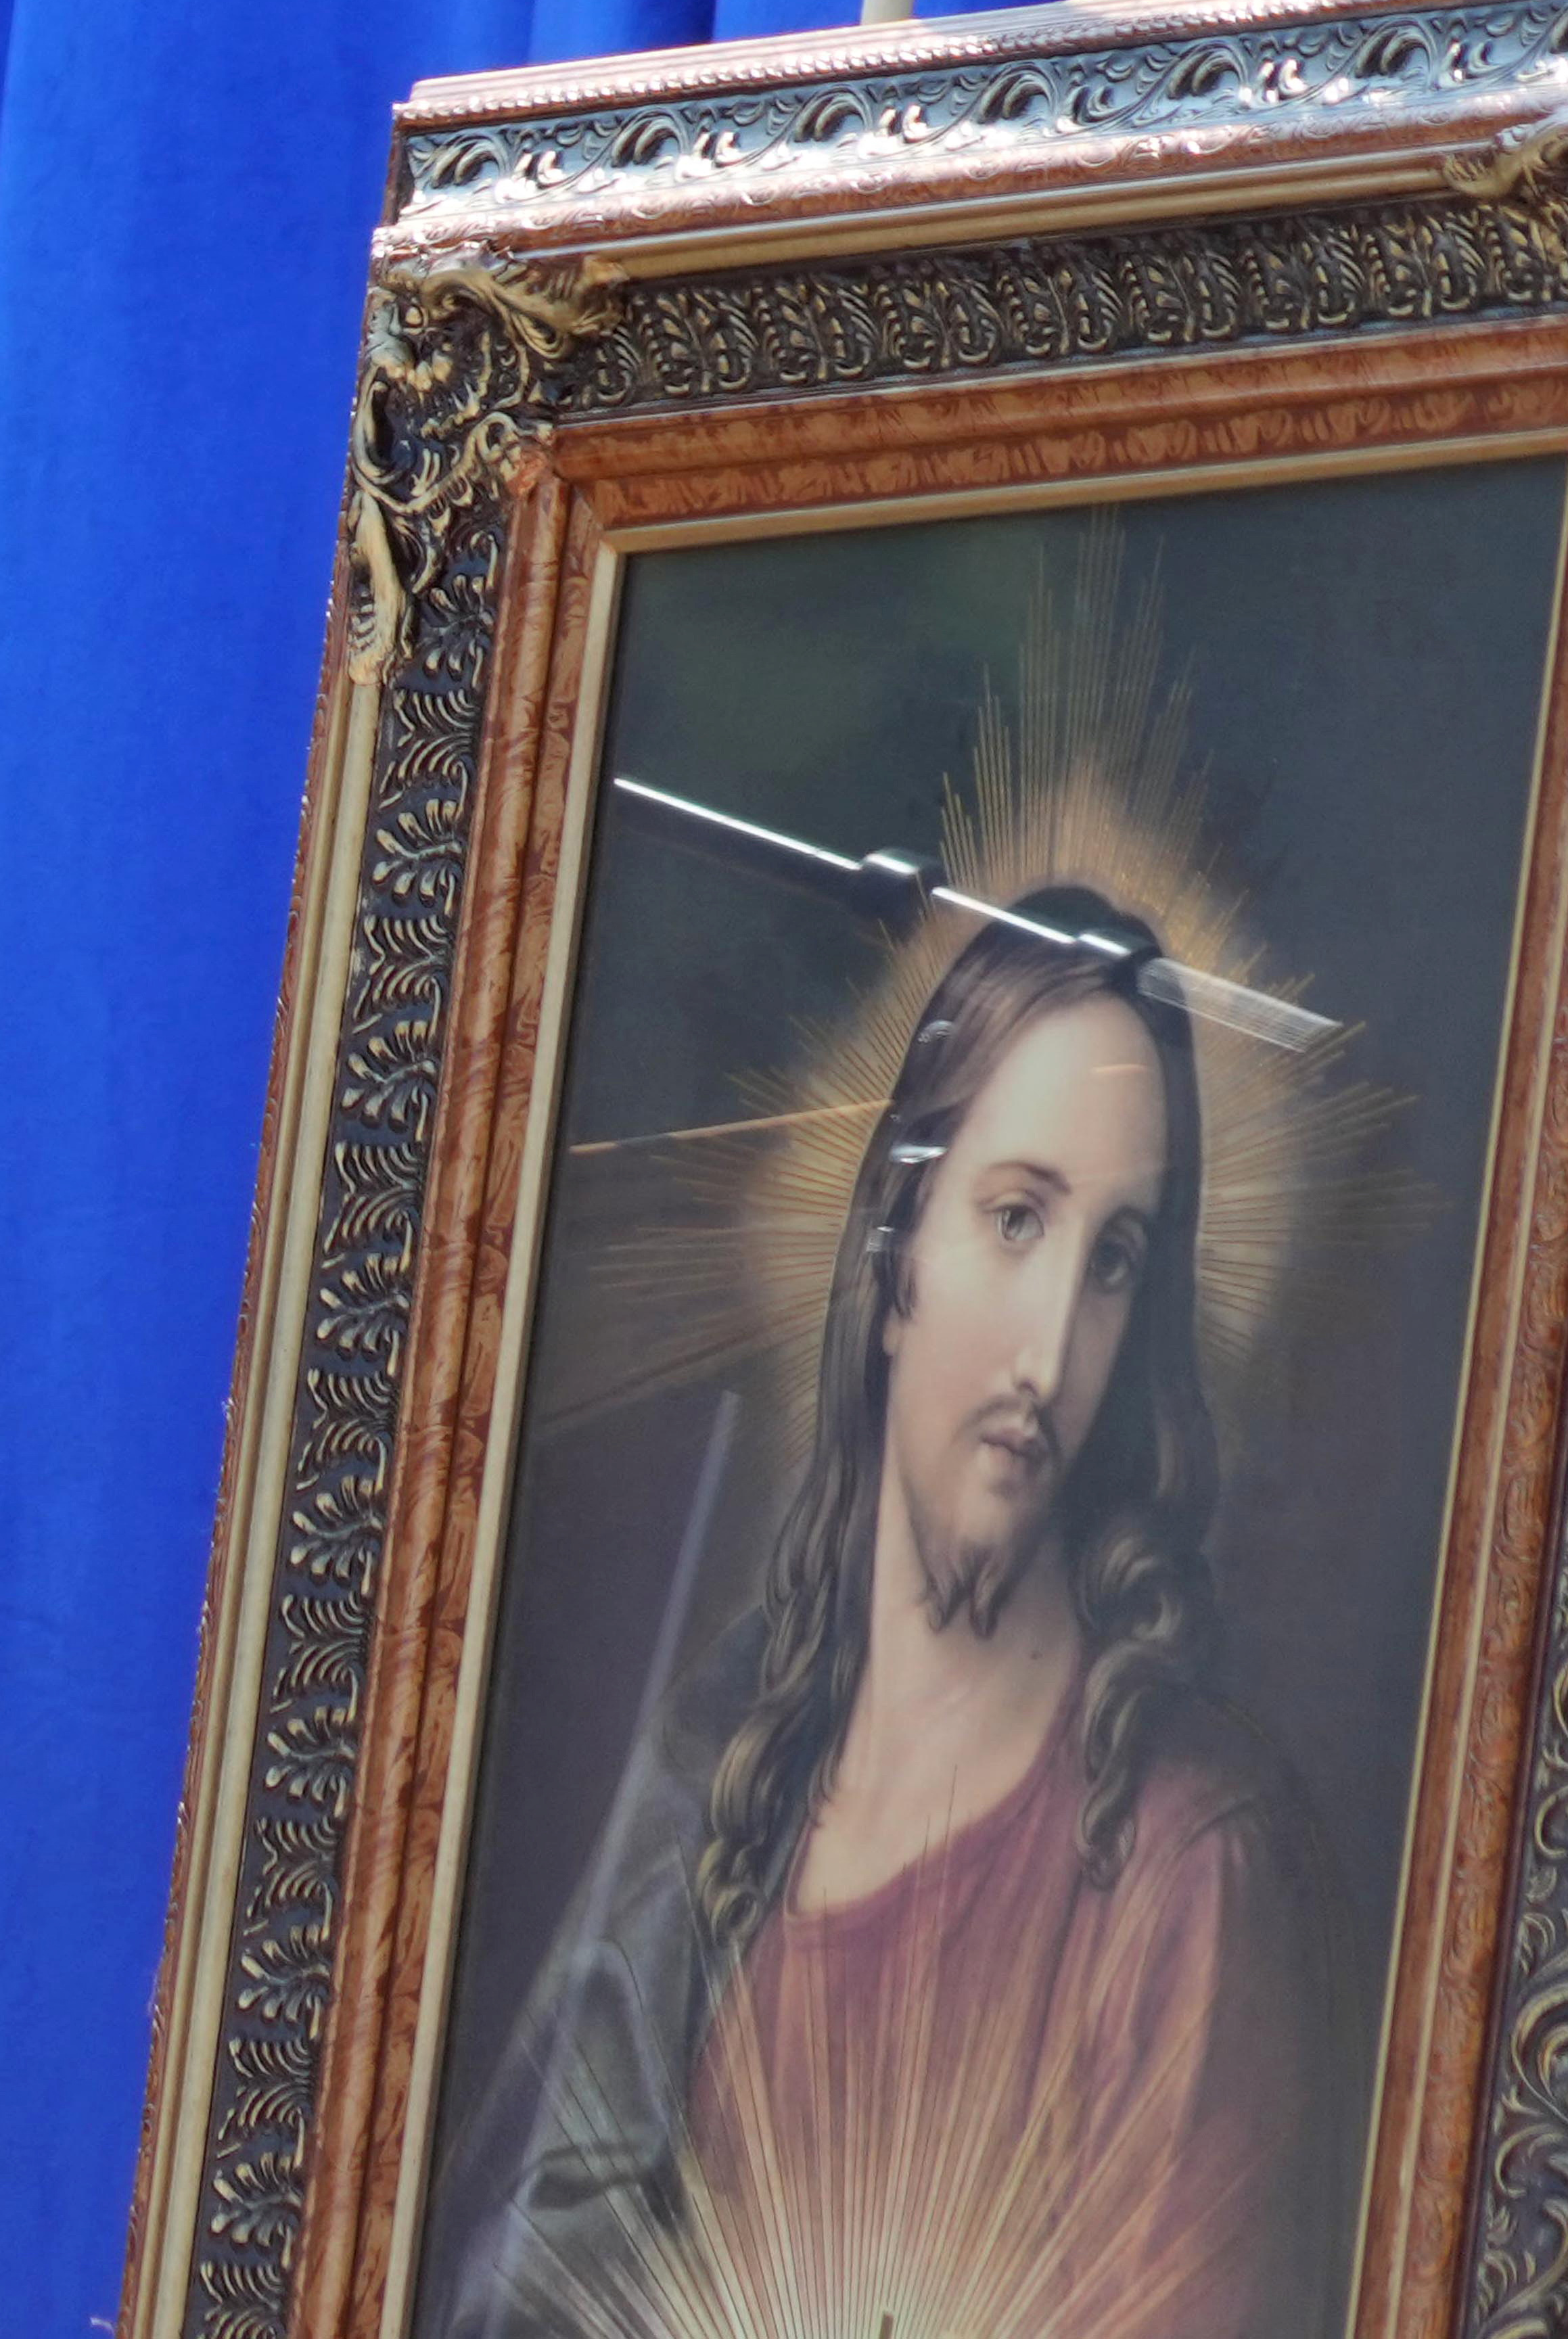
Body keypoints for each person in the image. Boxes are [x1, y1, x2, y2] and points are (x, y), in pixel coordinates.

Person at [448, 904, 1319, 2339]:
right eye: (1018, 1218)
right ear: (899, 1255)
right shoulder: (723, 1779)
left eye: (1113, 1261)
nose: (1049, 1355)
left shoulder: (1182, 1875)